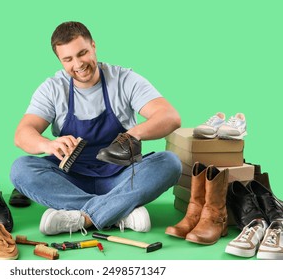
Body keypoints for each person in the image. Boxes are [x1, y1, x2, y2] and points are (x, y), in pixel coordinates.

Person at [10, 21, 182, 236]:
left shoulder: (124, 80)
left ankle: (82, 217)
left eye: (82, 53)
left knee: (170, 162)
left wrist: (132, 134)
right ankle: (118, 211)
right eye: (68, 59)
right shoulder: (53, 88)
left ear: (93, 46)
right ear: (60, 61)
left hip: (122, 177)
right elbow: (23, 133)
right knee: (21, 169)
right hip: (70, 179)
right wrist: (48, 144)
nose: (78, 64)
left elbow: (170, 117)